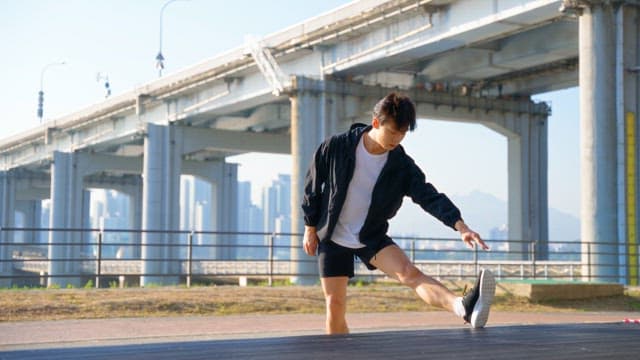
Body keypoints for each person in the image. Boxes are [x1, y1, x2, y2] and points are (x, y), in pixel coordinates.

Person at [301, 92, 496, 335]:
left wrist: (461, 227)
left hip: (370, 235)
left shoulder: (400, 165)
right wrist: (310, 227)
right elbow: (312, 184)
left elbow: (428, 196)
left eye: (402, 133)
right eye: (392, 132)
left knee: (409, 273)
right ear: (376, 123)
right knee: (335, 305)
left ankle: (462, 307)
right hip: (333, 236)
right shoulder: (337, 146)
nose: (397, 139)